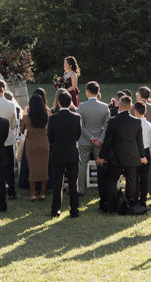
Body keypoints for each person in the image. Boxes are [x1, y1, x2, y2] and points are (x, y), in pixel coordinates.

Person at [98, 95, 147, 215]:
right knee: (132, 181)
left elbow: (107, 141)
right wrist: (142, 156)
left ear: (119, 106)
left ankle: (111, 205)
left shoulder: (113, 121)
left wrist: (101, 156)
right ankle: (130, 204)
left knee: (112, 180)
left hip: (116, 157)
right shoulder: (136, 122)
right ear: (131, 107)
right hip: (133, 156)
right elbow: (139, 142)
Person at [48, 89, 82, 218]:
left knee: (57, 183)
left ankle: (55, 209)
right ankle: (74, 210)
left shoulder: (53, 118)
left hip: (57, 152)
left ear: (59, 102)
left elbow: (50, 137)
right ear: (70, 103)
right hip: (72, 151)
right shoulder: (76, 117)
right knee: (73, 183)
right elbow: (78, 135)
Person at [77, 81, 110, 197]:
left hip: (85, 140)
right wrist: (100, 138)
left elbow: (80, 125)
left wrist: (90, 137)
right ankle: (103, 186)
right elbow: (107, 126)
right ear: (98, 92)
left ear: (87, 92)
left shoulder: (81, 106)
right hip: (99, 140)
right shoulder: (105, 107)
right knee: (100, 163)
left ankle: (81, 189)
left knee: (82, 164)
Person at [20, 93, 50, 201]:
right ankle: (42, 193)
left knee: (32, 170)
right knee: (44, 169)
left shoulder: (26, 118)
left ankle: (33, 194)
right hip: (44, 145)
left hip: (31, 145)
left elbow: (22, 131)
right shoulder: (47, 115)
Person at [0, 80, 19, 200]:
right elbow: (14, 123)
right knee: (9, 166)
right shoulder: (11, 104)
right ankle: (11, 192)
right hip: (8, 137)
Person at [132, 102, 151, 206]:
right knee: (144, 176)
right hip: (146, 151)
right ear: (145, 111)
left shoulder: (133, 124)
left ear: (135, 111)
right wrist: (148, 155)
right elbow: (150, 142)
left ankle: (135, 197)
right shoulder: (150, 125)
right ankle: (143, 199)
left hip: (135, 151)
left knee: (135, 176)